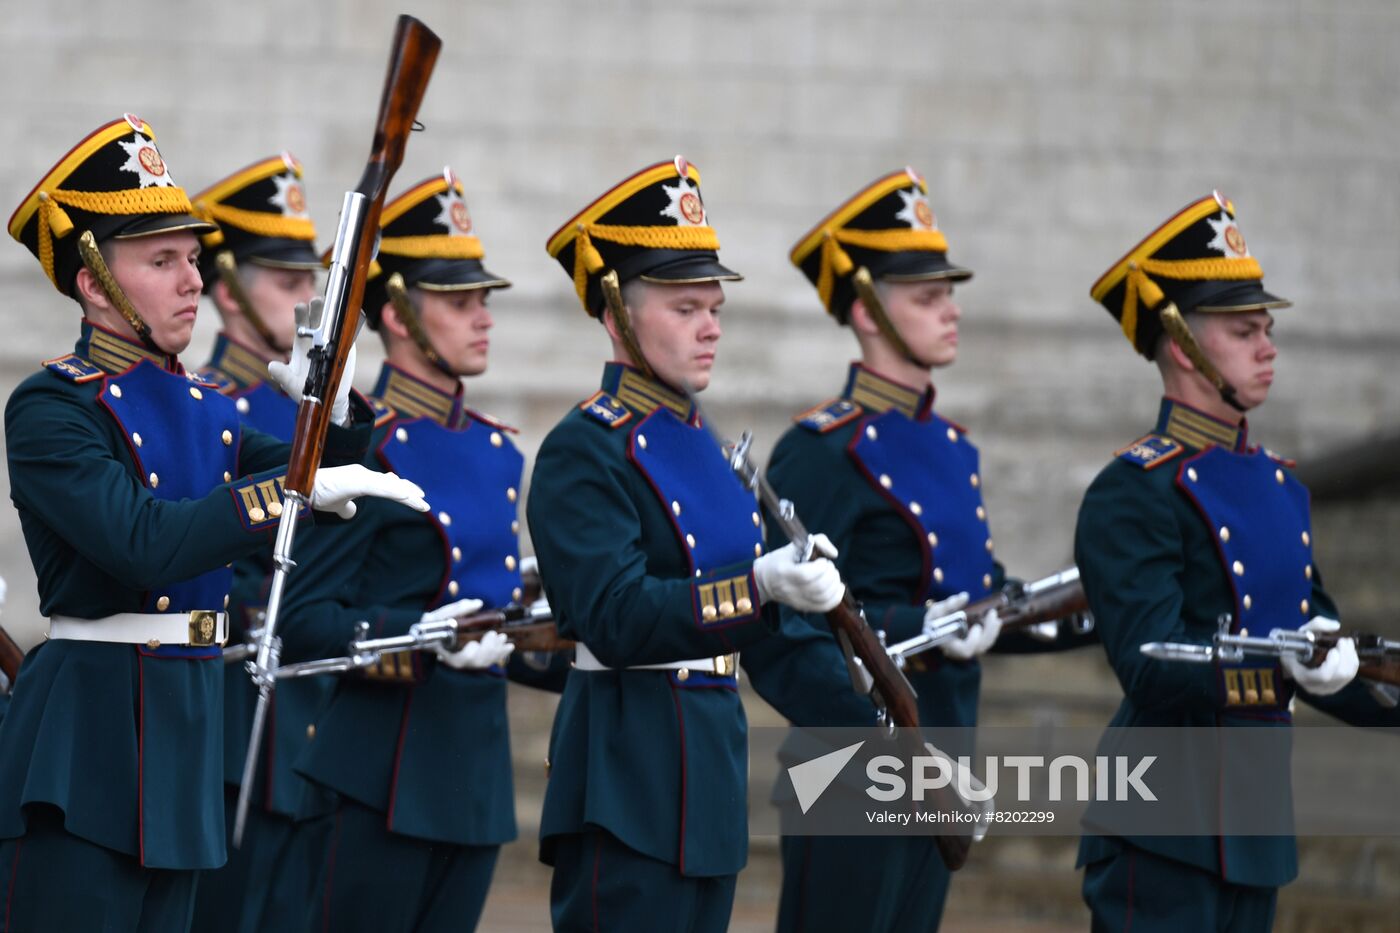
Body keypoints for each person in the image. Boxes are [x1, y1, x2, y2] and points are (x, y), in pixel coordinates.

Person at [0, 114, 424, 931]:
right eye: (162, 261)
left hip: (185, 741)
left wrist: (334, 411)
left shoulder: (207, 408)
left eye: (193, 258)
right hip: (89, 745)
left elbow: (305, 474)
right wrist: (297, 481)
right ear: (93, 280)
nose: (192, 279)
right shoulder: (53, 405)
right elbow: (144, 541)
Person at [758, 167, 1092, 931]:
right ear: (867, 308)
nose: (952, 310)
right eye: (928, 296)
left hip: (947, 759)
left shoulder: (950, 446)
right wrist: (922, 621)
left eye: (949, 291)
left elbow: (980, 588)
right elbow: (795, 621)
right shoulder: (820, 451)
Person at [528, 156, 846, 932]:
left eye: (714, 306)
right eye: (683, 306)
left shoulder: (705, 443)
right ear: (616, 311)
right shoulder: (585, 448)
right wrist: (761, 587)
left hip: (707, 786)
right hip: (626, 786)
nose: (710, 326)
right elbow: (618, 615)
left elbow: (762, 642)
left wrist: (876, 727)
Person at [1076, 191, 1392, 931]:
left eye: (1267, 328)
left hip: (1253, 824)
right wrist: (1284, 666)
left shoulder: (1281, 485)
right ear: (1183, 345)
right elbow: (1149, 658)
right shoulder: (1133, 491)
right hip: (1163, 826)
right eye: (1244, 329)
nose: (1267, 344)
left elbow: (1320, 638)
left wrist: (1361, 683)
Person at [277, 167, 564, 933]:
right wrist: (423, 639)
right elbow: (305, 618)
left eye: (484, 300)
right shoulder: (364, 444)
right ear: (398, 313)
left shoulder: (500, 450)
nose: (484, 318)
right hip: (379, 775)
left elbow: (496, 609)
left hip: (473, 774)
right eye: (460, 301)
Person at [187, 152, 337, 933]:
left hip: (316, 728)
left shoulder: (328, 411)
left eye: (310, 278)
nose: (307, 297)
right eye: (285, 280)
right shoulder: (200, 407)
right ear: (225, 288)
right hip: (231, 718)